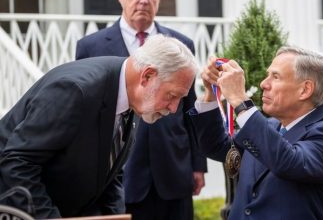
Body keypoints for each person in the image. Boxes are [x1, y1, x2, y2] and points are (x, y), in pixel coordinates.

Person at [0, 34, 197, 219]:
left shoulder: (136, 96)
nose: (173, 108)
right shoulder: (75, 91)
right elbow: (17, 162)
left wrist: (113, 217)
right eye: (172, 96)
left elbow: (110, 172)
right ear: (147, 76)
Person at [76, 0, 206, 219]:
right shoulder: (90, 47)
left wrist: (197, 164)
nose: (144, 0)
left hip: (174, 171)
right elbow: (86, 117)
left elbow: (190, 108)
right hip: (120, 176)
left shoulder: (182, 45)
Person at [190, 46, 323, 219]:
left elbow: (288, 161)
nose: (263, 84)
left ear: (305, 90)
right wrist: (210, 94)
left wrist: (240, 101)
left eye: (275, 77)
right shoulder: (271, 125)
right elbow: (217, 145)